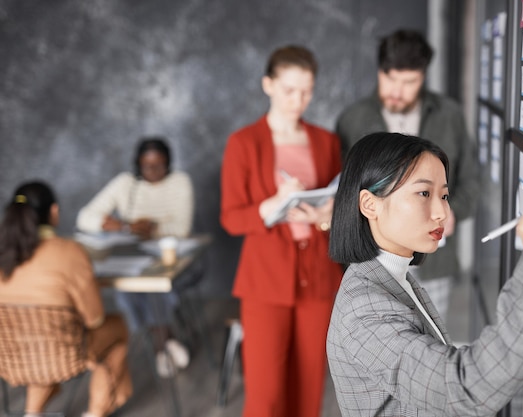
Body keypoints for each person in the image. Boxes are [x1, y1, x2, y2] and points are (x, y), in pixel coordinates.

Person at [326, 132, 523, 416]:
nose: (442, 211)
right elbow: (464, 389)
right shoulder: (366, 311)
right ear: (369, 204)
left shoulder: (393, 278)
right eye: (424, 193)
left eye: (444, 195)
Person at [220, 45, 343, 417]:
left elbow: (336, 208)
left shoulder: (325, 141)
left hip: (319, 276)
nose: (298, 100)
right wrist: (272, 206)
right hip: (265, 280)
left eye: (306, 91)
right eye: (289, 90)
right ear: (268, 85)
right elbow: (231, 218)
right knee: (265, 395)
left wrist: (324, 215)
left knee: (309, 389)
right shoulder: (243, 143)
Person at [335, 28, 479, 325]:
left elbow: (473, 181)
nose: (397, 91)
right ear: (379, 72)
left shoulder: (449, 115)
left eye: (409, 82)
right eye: (390, 79)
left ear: (424, 77)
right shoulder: (353, 119)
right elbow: (342, 190)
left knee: (433, 344)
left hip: (434, 261)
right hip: (372, 257)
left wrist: (452, 211)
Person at [0, 181, 132, 417]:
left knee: (37, 341)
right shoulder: (69, 251)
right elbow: (94, 318)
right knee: (117, 328)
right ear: (53, 211)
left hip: (9, 358)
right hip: (65, 354)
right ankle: (96, 412)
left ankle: (32, 413)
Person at [76, 137, 194, 378]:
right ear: (138, 165)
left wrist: (152, 229)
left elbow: (182, 228)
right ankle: (165, 340)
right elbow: (84, 218)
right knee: (127, 286)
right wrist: (119, 225)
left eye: (159, 166)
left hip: (173, 259)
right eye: (146, 166)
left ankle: (160, 345)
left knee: (155, 286)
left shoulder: (180, 182)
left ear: (168, 163)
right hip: (133, 255)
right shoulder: (125, 184)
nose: (152, 172)